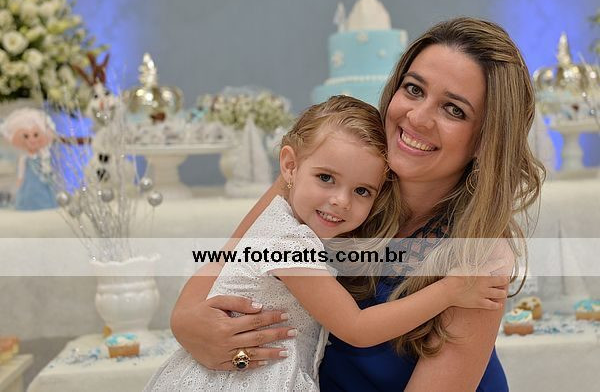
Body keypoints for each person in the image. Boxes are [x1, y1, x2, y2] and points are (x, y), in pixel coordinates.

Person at [169, 17, 544, 391]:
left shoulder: (479, 258)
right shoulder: (330, 169)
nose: (418, 117)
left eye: (454, 110)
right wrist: (190, 327)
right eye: (414, 89)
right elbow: (221, 270)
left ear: (485, 140)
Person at [145, 96, 507, 391]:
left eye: (362, 191)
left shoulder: (293, 213)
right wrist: (450, 290)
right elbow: (357, 327)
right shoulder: (288, 240)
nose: (341, 201)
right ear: (289, 166)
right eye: (326, 178)